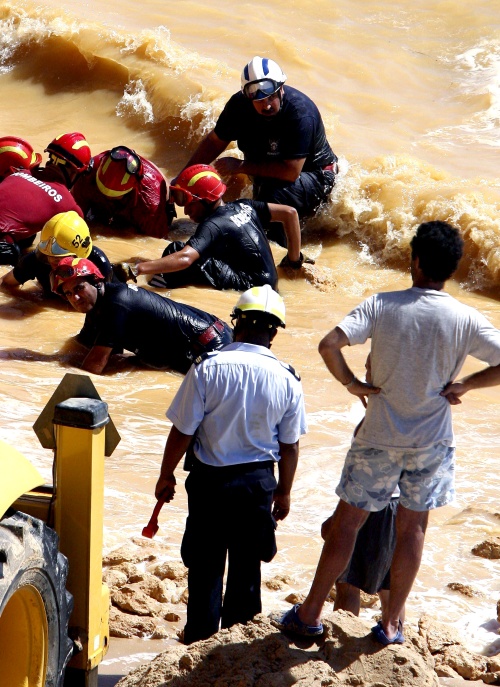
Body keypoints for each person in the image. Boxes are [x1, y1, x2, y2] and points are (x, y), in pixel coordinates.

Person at [273, 220, 500, 643]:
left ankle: (309, 614)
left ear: (415, 261)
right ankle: (392, 623)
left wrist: (351, 383)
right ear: (451, 268)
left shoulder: (383, 305)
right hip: (432, 441)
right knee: (413, 529)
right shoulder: (465, 317)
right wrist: (467, 384)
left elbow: (328, 345)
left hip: (378, 434)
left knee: (347, 524)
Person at [154, 285, 307, 644]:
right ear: (273, 332)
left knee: (205, 568)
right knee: (247, 569)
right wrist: (284, 493)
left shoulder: (208, 367)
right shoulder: (287, 378)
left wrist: (166, 475)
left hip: (210, 484)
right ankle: (235, 649)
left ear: (236, 324)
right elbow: (290, 446)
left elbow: (182, 431)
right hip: (256, 485)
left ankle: (198, 642)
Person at [179, 56, 338, 246]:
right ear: (248, 97)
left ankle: (279, 252)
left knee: (272, 196)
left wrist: (240, 166)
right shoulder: (239, 106)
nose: (267, 105)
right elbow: (214, 142)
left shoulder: (300, 114)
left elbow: (290, 172)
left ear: (281, 89)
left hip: (316, 174)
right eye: (260, 100)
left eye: (271, 97)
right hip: (272, 171)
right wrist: (183, 180)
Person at [119, 164, 305, 291]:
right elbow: (290, 213)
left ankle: (158, 289)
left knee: (175, 250)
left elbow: (184, 258)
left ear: (206, 201)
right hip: (271, 284)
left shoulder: (213, 225)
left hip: (250, 287)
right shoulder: (246, 205)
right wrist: (294, 260)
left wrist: (138, 268)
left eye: (188, 201)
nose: (185, 209)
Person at [51, 257, 232, 374]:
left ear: (96, 282)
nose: (74, 298)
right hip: (206, 337)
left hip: (212, 348)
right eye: (67, 293)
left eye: (79, 288)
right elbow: (80, 346)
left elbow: (92, 369)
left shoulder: (115, 305)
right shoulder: (96, 310)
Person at [0, 132, 90, 266]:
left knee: (28, 238)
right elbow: (82, 246)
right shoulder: (68, 205)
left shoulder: (21, 172)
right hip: (2, 248)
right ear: (74, 172)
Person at [0, 211, 116, 295]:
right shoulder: (35, 260)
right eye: (49, 255)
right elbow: (5, 284)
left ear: (80, 255)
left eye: (60, 256)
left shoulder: (99, 264)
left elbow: (112, 302)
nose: (51, 260)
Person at [72, 145, 174, 239]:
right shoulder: (90, 172)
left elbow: (156, 243)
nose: (107, 197)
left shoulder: (150, 202)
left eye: (114, 196)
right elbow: (72, 213)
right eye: (101, 191)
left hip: (151, 210)